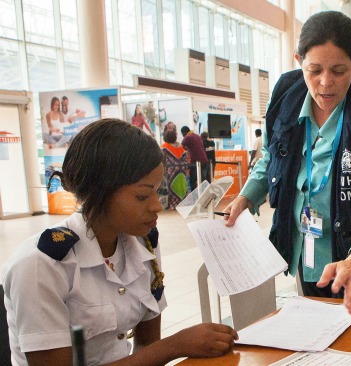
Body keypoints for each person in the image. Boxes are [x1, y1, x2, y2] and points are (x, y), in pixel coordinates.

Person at [2, 119, 238, 365]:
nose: (157, 206)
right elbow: (157, 351)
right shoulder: (42, 265)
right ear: (100, 192)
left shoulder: (142, 243)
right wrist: (174, 346)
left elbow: (146, 345)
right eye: (142, 195)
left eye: (157, 192)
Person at [222, 11, 351, 320]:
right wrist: (246, 197)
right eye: (314, 70)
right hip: (307, 254)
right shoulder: (286, 96)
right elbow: (272, 156)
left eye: (339, 70)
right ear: (299, 60)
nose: (325, 83)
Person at [161, 129, 191, 209]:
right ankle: (183, 203)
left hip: (171, 170)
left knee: (172, 186)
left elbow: (160, 158)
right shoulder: (180, 147)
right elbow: (186, 158)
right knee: (182, 186)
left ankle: (173, 204)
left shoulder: (165, 147)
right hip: (183, 170)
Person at [181, 126, 209, 191]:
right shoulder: (197, 136)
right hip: (205, 161)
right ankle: (205, 198)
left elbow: (180, 146)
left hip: (196, 162)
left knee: (193, 181)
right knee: (203, 182)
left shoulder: (187, 137)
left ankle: (195, 199)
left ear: (183, 133)